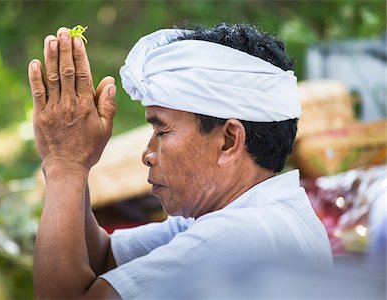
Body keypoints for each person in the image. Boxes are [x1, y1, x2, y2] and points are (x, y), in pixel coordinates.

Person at [28, 23, 333, 299]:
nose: (147, 154)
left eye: (161, 129)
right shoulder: (241, 216)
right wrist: (71, 159)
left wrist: (64, 165)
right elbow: (103, 259)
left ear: (228, 140)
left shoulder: (247, 234)